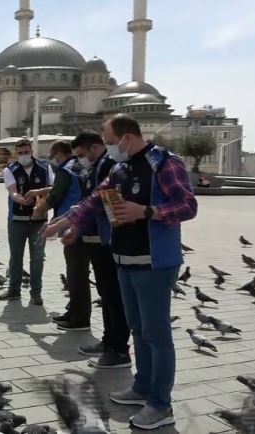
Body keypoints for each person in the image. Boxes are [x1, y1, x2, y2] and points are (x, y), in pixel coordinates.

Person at [43, 114, 197, 430]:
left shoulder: (163, 163)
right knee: (138, 329)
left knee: (157, 334)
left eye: (111, 143)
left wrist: (148, 211)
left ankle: (160, 404)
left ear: (127, 138)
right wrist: (64, 221)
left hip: (155, 261)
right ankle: (142, 387)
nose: (109, 149)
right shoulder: (119, 168)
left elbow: (188, 205)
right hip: (124, 259)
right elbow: (95, 200)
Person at [71, 131, 131, 368]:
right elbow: (92, 201)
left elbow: (106, 203)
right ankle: (109, 341)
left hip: (108, 239)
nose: (80, 160)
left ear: (96, 147)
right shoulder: (98, 166)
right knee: (107, 294)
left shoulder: (109, 165)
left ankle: (119, 349)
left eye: (82, 154)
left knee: (114, 296)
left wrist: (73, 225)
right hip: (98, 237)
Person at [27, 140, 88, 329]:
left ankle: (78, 318)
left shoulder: (65, 169)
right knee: (78, 273)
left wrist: (39, 210)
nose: (53, 160)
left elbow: (56, 195)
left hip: (72, 226)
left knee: (76, 274)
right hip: (81, 223)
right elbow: (60, 189)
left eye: (54, 156)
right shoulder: (79, 167)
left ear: (60, 153)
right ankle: (74, 312)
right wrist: (41, 190)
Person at [0, 138, 51, 305]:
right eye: (20, 153)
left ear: (32, 151)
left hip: (39, 220)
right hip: (17, 220)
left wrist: (39, 197)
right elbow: (12, 192)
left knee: (37, 258)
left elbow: (53, 189)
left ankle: (36, 293)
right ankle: (14, 291)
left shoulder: (45, 167)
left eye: (26, 152)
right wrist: (21, 200)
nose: (23, 156)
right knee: (16, 257)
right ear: (16, 153)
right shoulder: (10, 169)